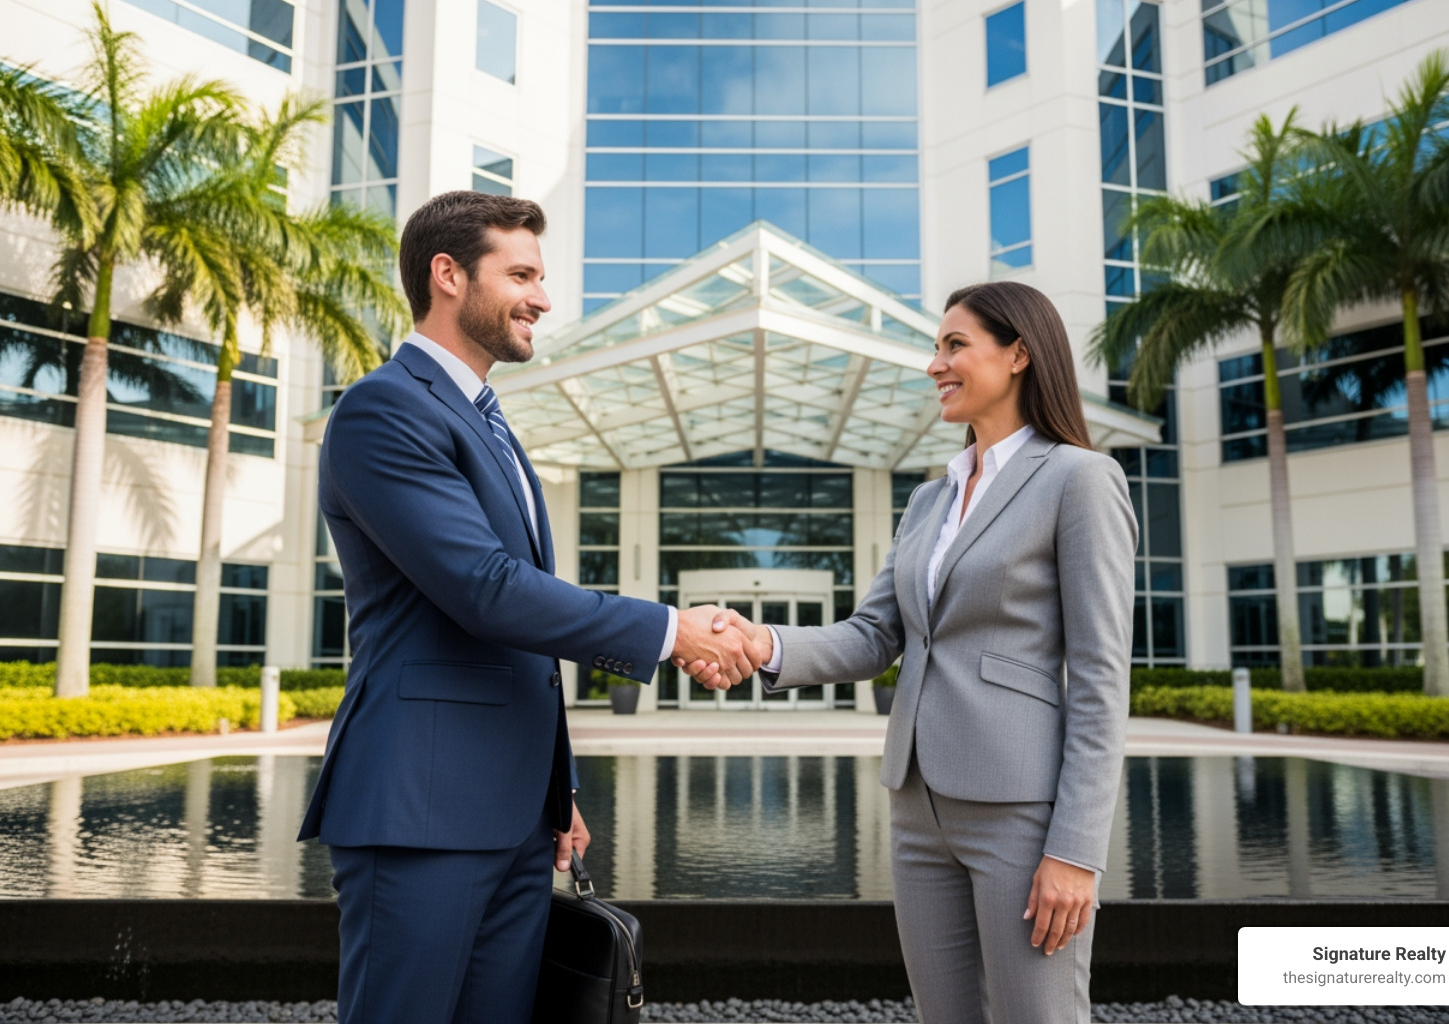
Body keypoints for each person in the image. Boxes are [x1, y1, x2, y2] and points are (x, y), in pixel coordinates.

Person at [297, 191, 758, 1024]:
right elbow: (487, 591)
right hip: (420, 810)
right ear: (447, 275)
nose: (542, 298)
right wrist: (671, 630)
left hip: (511, 818)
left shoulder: (491, 424)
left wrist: (556, 791)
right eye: (521, 274)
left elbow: (521, 646)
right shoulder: (383, 410)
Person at [680, 281, 1136, 1024]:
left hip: (1018, 809)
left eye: (955, 345)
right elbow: (875, 634)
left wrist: (1077, 850)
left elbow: (1099, 676)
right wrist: (762, 642)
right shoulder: (931, 498)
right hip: (917, 804)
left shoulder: (1079, 479)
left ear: (1019, 353)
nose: (935, 364)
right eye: (935, 346)